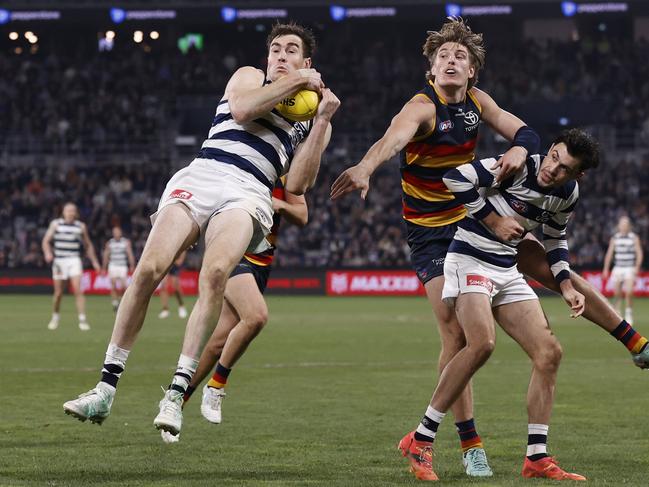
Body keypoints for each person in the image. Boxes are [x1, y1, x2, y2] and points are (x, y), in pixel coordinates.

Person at [331, 18, 649, 478]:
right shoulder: (422, 107)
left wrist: (521, 148)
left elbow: (526, 133)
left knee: (555, 269)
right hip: (435, 232)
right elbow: (393, 138)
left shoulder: (478, 102)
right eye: (444, 56)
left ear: (472, 72)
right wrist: (364, 166)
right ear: (432, 70)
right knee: (459, 336)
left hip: (479, 212)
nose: (452, 60)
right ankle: (468, 441)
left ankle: (633, 340)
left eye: (461, 56)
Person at [63, 22, 340, 439]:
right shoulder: (249, 77)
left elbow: (299, 185)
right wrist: (298, 81)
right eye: (276, 50)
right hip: (205, 173)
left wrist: (320, 123)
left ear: (307, 60)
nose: (280, 56)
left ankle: (175, 395)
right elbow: (245, 111)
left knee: (214, 275)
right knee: (149, 269)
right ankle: (105, 388)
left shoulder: (315, 114)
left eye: (291, 51)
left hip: (249, 191)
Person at [397, 128, 598, 481]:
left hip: (506, 268)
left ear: (577, 174)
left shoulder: (567, 194)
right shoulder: (516, 166)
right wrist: (493, 220)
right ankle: (422, 437)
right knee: (482, 343)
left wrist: (566, 285)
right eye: (554, 157)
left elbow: (555, 237)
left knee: (549, 352)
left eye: (565, 168)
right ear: (550, 148)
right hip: (469, 260)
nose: (553, 169)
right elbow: (455, 177)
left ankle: (537, 457)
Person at [161, 177, 307, 443]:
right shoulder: (243, 165)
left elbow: (302, 215)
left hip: (261, 265)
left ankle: (176, 400)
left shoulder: (287, 176)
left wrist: (279, 205)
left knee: (217, 343)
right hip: (233, 254)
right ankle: (216, 386)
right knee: (256, 316)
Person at [42, 202, 101, 331]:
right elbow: (46, 241)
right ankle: (55, 316)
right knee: (58, 293)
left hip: (74, 260)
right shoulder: (56, 224)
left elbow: (88, 245)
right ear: (63, 212)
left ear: (76, 213)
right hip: (59, 261)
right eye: (67, 210)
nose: (70, 213)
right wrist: (47, 253)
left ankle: (82, 319)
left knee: (78, 290)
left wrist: (95, 262)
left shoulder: (80, 226)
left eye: (72, 210)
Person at [603, 216, 643, 323]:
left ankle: (629, 312)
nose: (624, 227)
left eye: (625, 225)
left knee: (629, 291)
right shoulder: (615, 238)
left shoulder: (634, 237)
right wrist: (606, 268)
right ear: (619, 226)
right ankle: (618, 313)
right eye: (622, 224)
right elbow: (609, 254)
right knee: (617, 293)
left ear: (629, 226)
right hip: (618, 268)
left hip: (629, 267)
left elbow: (639, 253)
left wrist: (637, 267)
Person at [102, 226, 135, 312]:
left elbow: (129, 254)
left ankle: (122, 301)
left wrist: (132, 265)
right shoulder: (110, 243)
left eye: (118, 232)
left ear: (120, 233)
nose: (117, 234)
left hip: (122, 265)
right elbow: (106, 255)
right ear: (113, 233)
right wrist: (104, 267)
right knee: (113, 285)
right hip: (113, 265)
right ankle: (115, 303)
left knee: (124, 286)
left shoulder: (125, 242)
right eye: (115, 232)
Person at [158, 250, 188, 319]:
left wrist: (181, 258)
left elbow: (184, 248)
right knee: (163, 285)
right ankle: (165, 309)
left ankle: (181, 306)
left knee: (175, 286)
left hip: (175, 263)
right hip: (165, 263)